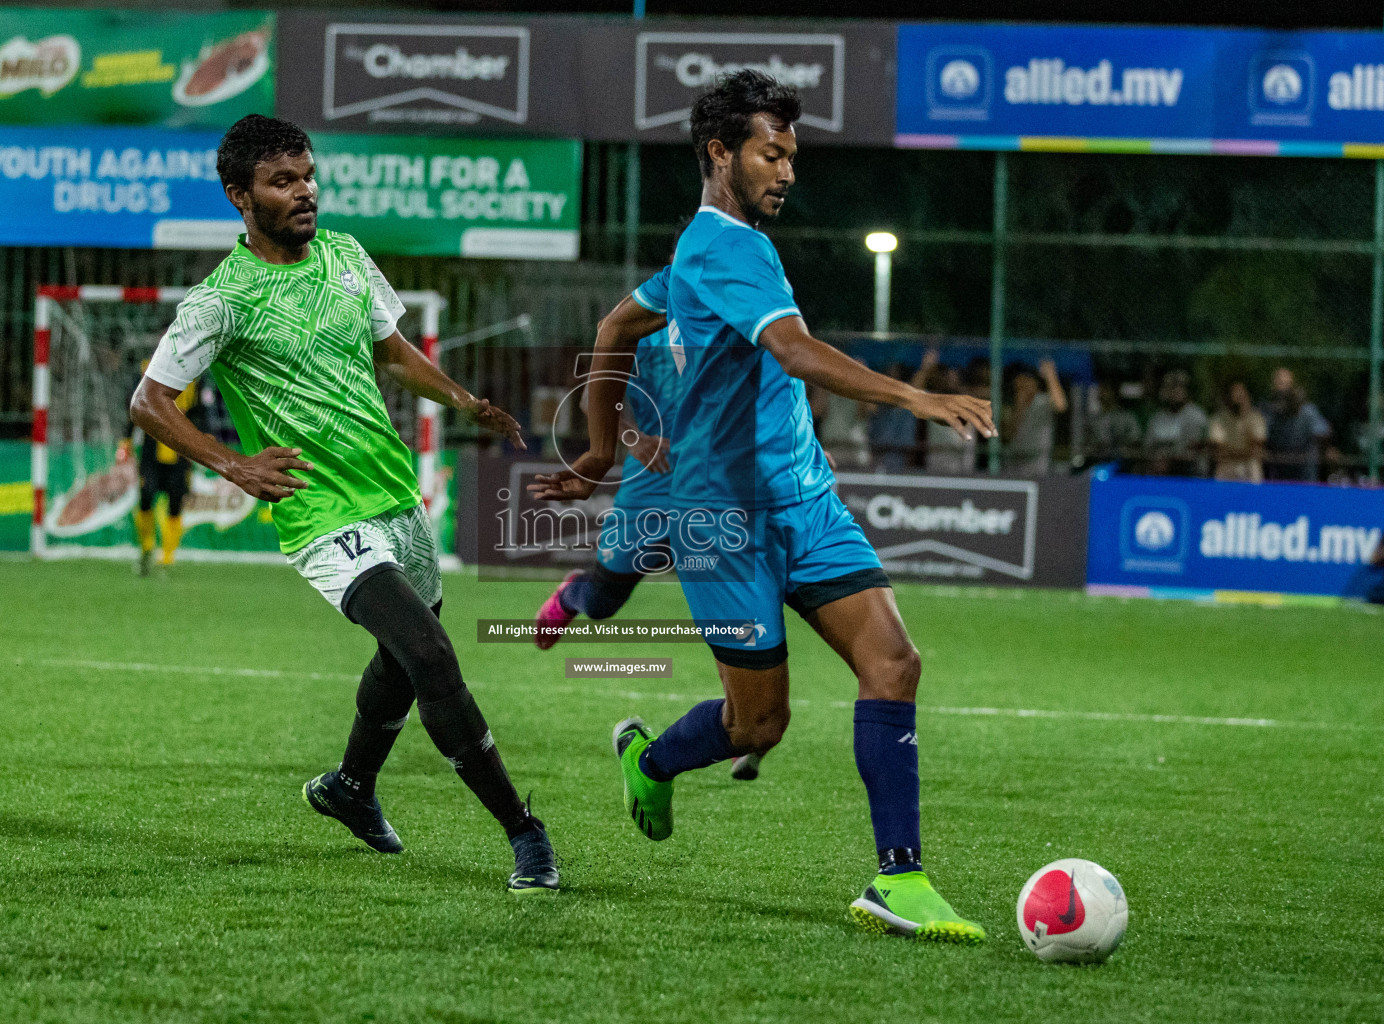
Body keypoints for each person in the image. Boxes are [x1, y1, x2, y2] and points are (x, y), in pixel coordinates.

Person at [529, 72, 994, 942]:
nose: (786, 170)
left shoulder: (705, 256)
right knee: (760, 724)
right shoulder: (721, 249)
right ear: (719, 154)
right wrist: (916, 399)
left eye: (791, 154)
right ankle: (651, 759)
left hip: (805, 500)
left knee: (894, 664)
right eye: (768, 153)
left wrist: (599, 448)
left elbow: (612, 331)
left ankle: (901, 880)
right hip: (722, 523)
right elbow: (794, 349)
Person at [128, 114, 558, 894]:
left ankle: (350, 789)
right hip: (320, 511)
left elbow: (393, 352)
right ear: (240, 195)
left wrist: (465, 400)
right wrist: (233, 465)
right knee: (428, 655)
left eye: (308, 175)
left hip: (392, 493)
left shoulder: (347, 256)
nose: (304, 192)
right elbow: (150, 401)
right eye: (282, 181)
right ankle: (525, 834)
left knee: (401, 656)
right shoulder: (220, 302)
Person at [531, 260, 765, 782]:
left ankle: (745, 723)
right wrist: (635, 439)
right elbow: (609, 388)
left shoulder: (743, 322)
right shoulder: (648, 324)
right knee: (605, 603)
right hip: (651, 480)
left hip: (720, 485)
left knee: (731, 603)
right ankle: (572, 595)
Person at [119, 366, 207, 575]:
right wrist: (126, 441)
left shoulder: (195, 378)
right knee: (146, 496)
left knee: (176, 502)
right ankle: (147, 547)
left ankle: (167, 558)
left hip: (181, 451)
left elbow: (200, 413)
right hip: (151, 449)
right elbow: (135, 406)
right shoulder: (147, 369)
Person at [1262, 368, 1331, 482]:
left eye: (1286, 384)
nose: (1282, 389)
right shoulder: (1268, 412)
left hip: (1304, 473)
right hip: (1278, 473)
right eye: (1279, 383)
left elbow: (1323, 433)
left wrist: (1325, 452)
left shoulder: (1308, 411)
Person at [1003, 359, 1067, 476]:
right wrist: (1020, 406)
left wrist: (1051, 375)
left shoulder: (1042, 401)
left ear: (1035, 383)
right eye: (1019, 380)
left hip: (1038, 466)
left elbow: (1061, 405)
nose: (1022, 384)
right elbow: (1007, 436)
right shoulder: (1011, 404)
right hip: (1013, 465)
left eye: (1027, 380)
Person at [1143, 369, 1208, 476]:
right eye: (1169, 388)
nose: (1173, 392)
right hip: (1159, 471)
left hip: (1188, 473)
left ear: (1186, 391)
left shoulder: (1196, 416)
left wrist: (1168, 459)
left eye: (1178, 387)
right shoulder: (1158, 417)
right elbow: (1148, 445)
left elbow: (1192, 449)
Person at [1208, 381, 1266, 483]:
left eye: (1241, 395)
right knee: (1222, 470)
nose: (1238, 398)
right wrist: (1243, 452)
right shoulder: (1218, 419)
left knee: (1254, 468)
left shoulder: (1256, 418)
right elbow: (1220, 449)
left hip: (1249, 464)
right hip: (1227, 464)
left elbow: (1256, 448)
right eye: (1235, 394)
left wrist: (1237, 452)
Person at [864, 362, 917, 471]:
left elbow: (916, 391)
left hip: (900, 462)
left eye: (895, 380)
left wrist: (926, 367)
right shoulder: (878, 407)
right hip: (877, 461)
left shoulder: (907, 410)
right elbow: (868, 407)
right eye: (889, 379)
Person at [1085, 380, 1142, 465]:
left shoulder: (1126, 417)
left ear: (1114, 393)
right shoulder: (1093, 419)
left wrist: (1122, 446)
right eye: (1100, 390)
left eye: (1105, 390)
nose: (1101, 394)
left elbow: (1136, 440)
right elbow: (1087, 444)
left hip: (1123, 463)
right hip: (1097, 463)